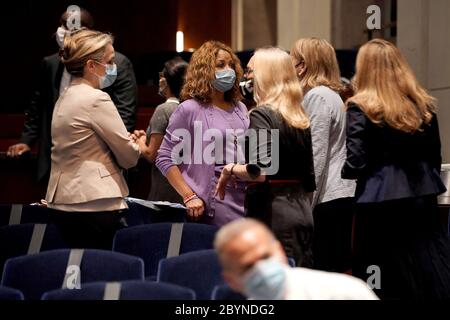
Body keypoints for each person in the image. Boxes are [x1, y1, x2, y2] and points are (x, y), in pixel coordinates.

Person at [342, 39, 450, 300]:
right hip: (421, 195)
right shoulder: (423, 106)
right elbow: (434, 155)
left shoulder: (361, 107)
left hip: (378, 199)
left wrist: (347, 172)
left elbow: (356, 161)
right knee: (426, 265)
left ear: (365, 69)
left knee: (378, 272)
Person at [6, 7, 138, 185]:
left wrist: (120, 141)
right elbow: (39, 105)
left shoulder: (71, 93)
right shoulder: (52, 65)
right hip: (64, 166)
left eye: (74, 27)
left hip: (98, 162)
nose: (66, 32)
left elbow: (124, 113)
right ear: (90, 66)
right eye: (63, 25)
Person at [215, 47, 316, 267]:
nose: (246, 77)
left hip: (274, 216)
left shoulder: (262, 114)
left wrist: (229, 169)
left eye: (250, 71)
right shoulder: (299, 117)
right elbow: (309, 182)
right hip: (301, 215)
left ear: (265, 75)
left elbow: (259, 171)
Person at [45, 29, 142, 250]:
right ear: (90, 65)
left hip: (64, 199)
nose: (112, 67)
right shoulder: (97, 98)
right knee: (101, 271)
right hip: (95, 203)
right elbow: (128, 157)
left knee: (78, 272)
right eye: (109, 61)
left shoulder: (65, 96)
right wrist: (136, 145)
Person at [155, 41, 249, 226]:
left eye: (231, 65)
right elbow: (164, 157)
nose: (228, 70)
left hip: (245, 195)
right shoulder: (189, 109)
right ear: (205, 70)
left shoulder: (241, 108)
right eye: (221, 65)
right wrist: (189, 196)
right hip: (215, 199)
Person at [290, 38, 356, 273]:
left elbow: (316, 155)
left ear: (303, 65)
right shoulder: (329, 95)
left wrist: (305, 206)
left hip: (328, 198)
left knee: (325, 270)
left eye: (292, 57)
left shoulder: (317, 96)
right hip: (335, 196)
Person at [215, 218, 379, 300]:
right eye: (248, 266)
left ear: (281, 251)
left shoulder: (344, 291)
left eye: (266, 257)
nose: (262, 270)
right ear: (231, 281)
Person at [131, 57, 188, 203]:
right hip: (188, 188)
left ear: (165, 81)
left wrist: (140, 141)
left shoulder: (164, 109)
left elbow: (152, 154)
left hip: (166, 189)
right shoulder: (191, 109)